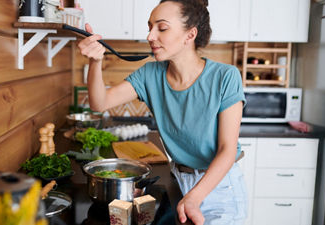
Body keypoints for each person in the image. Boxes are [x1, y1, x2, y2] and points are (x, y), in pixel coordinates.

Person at [77, 0, 247, 224]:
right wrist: (95, 61)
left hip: (219, 186)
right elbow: (100, 103)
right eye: (150, 27)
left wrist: (194, 197)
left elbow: (227, 149)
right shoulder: (150, 75)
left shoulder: (225, 77)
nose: (150, 36)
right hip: (179, 179)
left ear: (190, 34)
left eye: (162, 28)